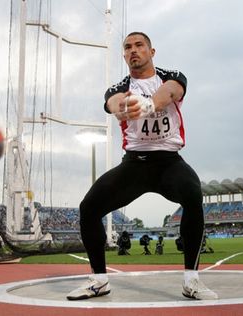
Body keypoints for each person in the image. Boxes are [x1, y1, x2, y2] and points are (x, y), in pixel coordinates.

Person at [66, 32, 217, 301]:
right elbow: (113, 103)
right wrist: (122, 108)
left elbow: (170, 92)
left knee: (193, 193)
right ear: (124, 55)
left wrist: (148, 104)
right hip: (135, 164)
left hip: (169, 162)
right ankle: (99, 280)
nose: (133, 50)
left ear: (151, 51)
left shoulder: (172, 76)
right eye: (127, 47)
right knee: (89, 207)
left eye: (139, 45)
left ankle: (191, 281)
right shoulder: (119, 89)